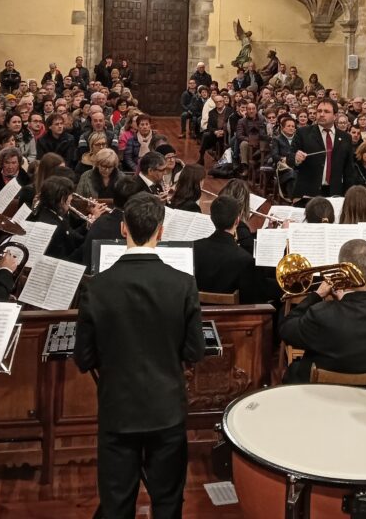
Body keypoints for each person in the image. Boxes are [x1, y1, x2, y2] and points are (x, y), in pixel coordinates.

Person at [74, 193, 205, 519]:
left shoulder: (96, 287)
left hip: (118, 411)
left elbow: (83, 358)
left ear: (123, 228)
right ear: (161, 231)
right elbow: (194, 351)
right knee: (168, 503)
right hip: (167, 411)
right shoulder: (183, 284)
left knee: (117, 505)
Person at [278, 238, 366, 383]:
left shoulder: (321, 314)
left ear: (342, 273)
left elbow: (286, 329)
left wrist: (316, 295)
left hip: (326, 394)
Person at [193, 196, 258, 302]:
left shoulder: (194, 248)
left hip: (198, 311)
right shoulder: (246, 259)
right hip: (233, 312)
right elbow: (250, 300)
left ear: (211, 218)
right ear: (237, 221)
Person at [291, 98, 355, 198]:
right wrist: (296, 158)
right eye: (319, 111)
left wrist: (349, 194)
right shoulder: (303, 133)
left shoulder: (345, 138)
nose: (321, 114)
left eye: (326, 111)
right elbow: (289, 157)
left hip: (335, 192)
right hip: (308, 192)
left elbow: (349, 169)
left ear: (335, 116)